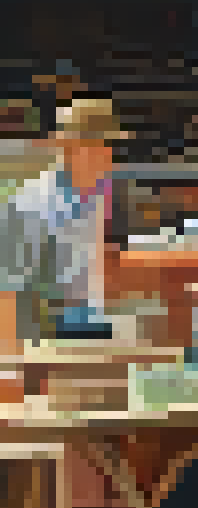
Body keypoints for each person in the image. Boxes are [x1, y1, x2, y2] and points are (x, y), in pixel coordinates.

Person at [0, 98, 124, 347]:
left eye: (109, 145)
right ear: (68, 148)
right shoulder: (30, 205)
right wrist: (14, 359)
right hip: (38, 341)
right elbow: (7, 293)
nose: (107, 156)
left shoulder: (97, 196)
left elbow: (93, 271)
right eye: (96, 144)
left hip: (87, 330)